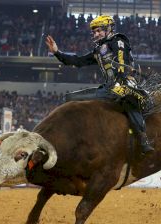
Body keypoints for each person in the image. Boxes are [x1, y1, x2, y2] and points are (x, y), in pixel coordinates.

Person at [45, 15, 154, 154]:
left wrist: (121, 83)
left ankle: (143, 139)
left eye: (98, 31)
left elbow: (121, 63)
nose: (96, 34)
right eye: (94, 32)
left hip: (125, 84)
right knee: (69, 98)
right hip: (108, 87)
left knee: (127, 100)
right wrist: (56, 52)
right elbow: (78, 61)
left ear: (108, 28)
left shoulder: (118, 41)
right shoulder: (98, 50)